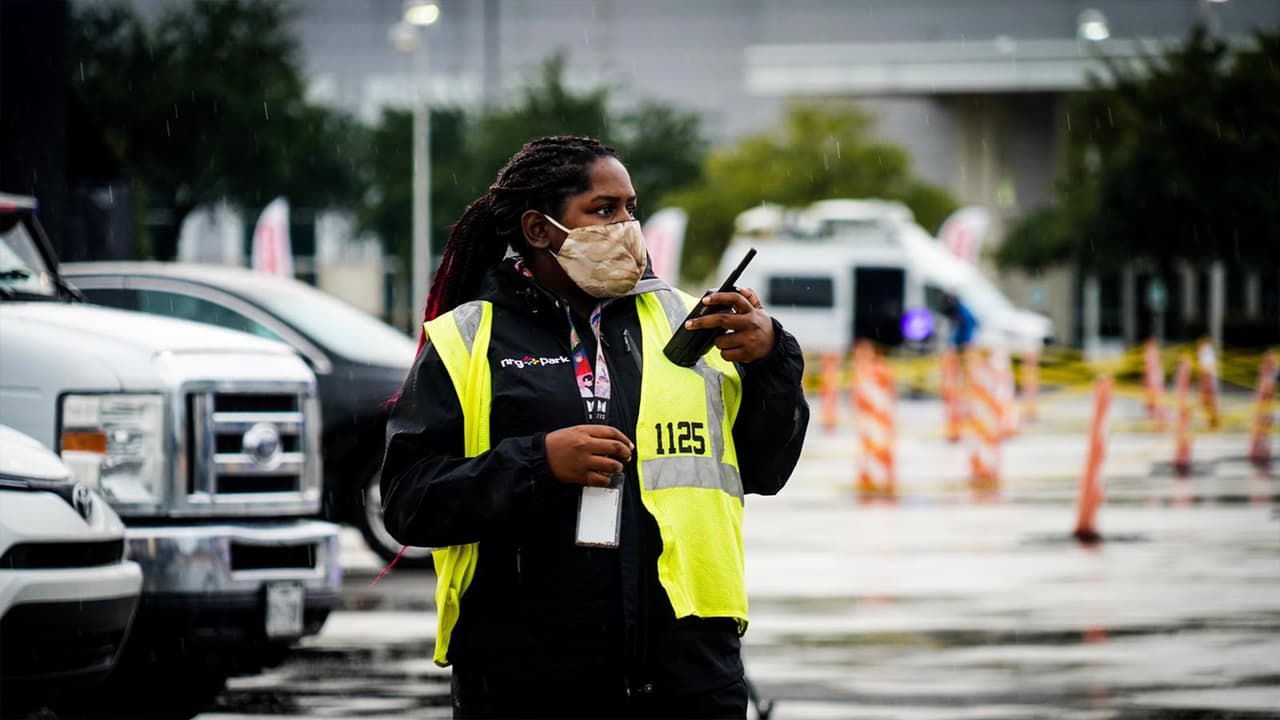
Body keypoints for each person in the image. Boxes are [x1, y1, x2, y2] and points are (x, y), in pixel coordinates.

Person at [379, 136, 809, 718]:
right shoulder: (467, 340)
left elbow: (765, 468)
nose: (627, 226)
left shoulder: (690, 323)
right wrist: (539, 462)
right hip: (529, 676)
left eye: (631, 208)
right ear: (539, 230)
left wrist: (770, 363)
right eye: (604, 210)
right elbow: (409, 503)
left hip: (688, 669)